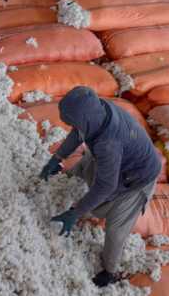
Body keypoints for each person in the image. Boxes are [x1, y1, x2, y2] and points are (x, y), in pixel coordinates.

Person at [39, 86, 161, 288]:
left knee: (115, 228)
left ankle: (110, 272)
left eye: (72, 121)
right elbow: (78, 133)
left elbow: (106, 186)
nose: (73, 126)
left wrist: (75, 212)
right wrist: (58, 157)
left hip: (138, 179)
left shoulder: (108, 145)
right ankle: (71, 177)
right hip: (117, 159)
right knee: (88, 165)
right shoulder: (101, 110)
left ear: (85, 119)